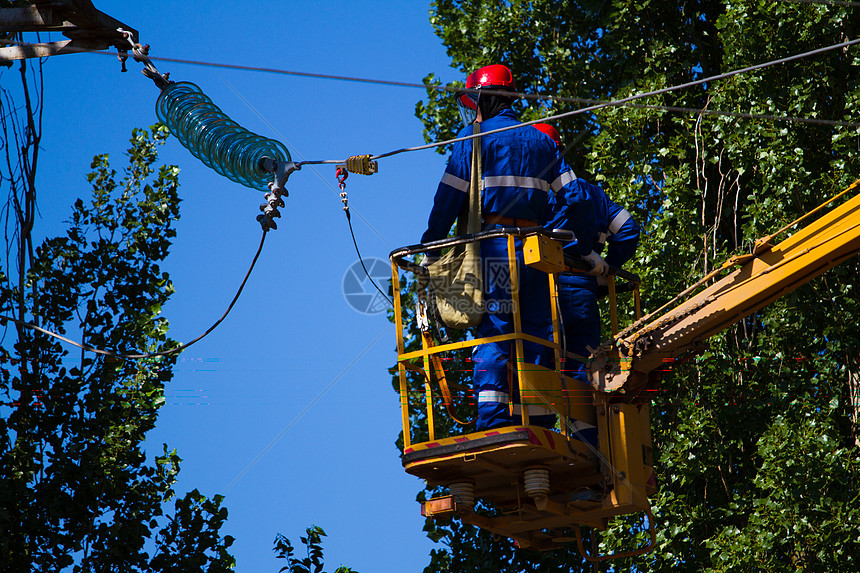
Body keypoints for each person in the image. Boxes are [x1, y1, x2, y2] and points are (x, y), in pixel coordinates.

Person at [421, 65, 607, 430]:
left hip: (493, 250)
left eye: (473, 102)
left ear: (484, 99)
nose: (472, 110)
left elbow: (448, 199)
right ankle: (536, 424)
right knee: (537, 335)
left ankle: (492, 423)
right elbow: (578, 199)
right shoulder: (542, 141)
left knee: (494, 331)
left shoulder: (472, 139)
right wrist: (585, 248)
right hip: (537, 253)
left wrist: (431, 249)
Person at [534, 123, 641, 444]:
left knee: (540, 363)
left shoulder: (536, 194)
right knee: (582, 365)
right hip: (583, 292)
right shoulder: (594, 193)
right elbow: (629, 229)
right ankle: (588, 443)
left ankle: (538, 437)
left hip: (544, 290)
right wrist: (606, 269)